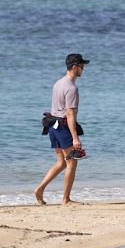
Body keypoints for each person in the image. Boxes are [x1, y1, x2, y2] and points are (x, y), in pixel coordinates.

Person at [35, 53, 89, 206]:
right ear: (74, 67)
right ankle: (66, 199)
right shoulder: (71, 88)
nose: (83, 69)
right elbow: (70, 114)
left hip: (53, 126)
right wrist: (75, 138)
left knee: (61, 163)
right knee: (72, 163)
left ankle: (40, 189)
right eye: (81, 66)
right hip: (63, 127)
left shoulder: (58, 83)